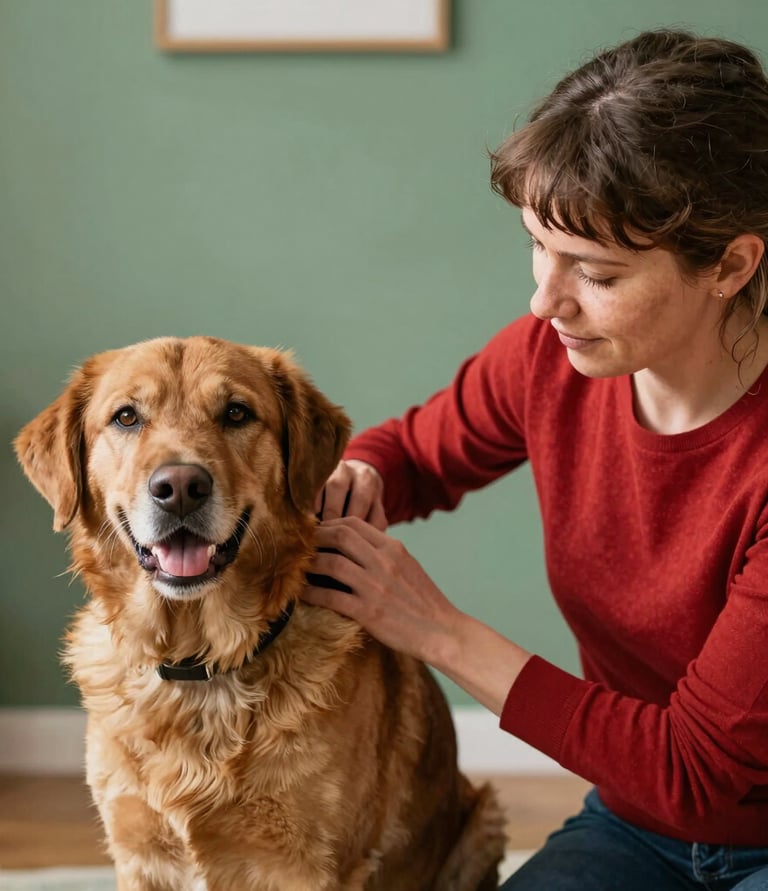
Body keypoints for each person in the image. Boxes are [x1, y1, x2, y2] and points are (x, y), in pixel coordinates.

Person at [302, 28, 768, 890]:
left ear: (731, 265)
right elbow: (410, 453)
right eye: (537, 246)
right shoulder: (549, 358)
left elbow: (698, 773)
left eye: (595, 272)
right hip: (638, 825)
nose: (545, 300)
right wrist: (356, 479)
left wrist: (436, 630)